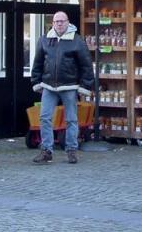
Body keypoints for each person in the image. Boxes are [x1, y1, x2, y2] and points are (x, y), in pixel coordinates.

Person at [30, 11, 95, 164]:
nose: (59, 24)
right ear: (52, 23)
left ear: (68, 22)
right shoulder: (44, 40)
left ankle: (72, 150)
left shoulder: (77, 41)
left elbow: (86, 65)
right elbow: (37, 62)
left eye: (62, 21)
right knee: (45, 118)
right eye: (56, 21)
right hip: (48, 85)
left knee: (71, 119)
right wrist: (35, 82)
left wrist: (85, 86)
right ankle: (46, 150)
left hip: (69, 86)